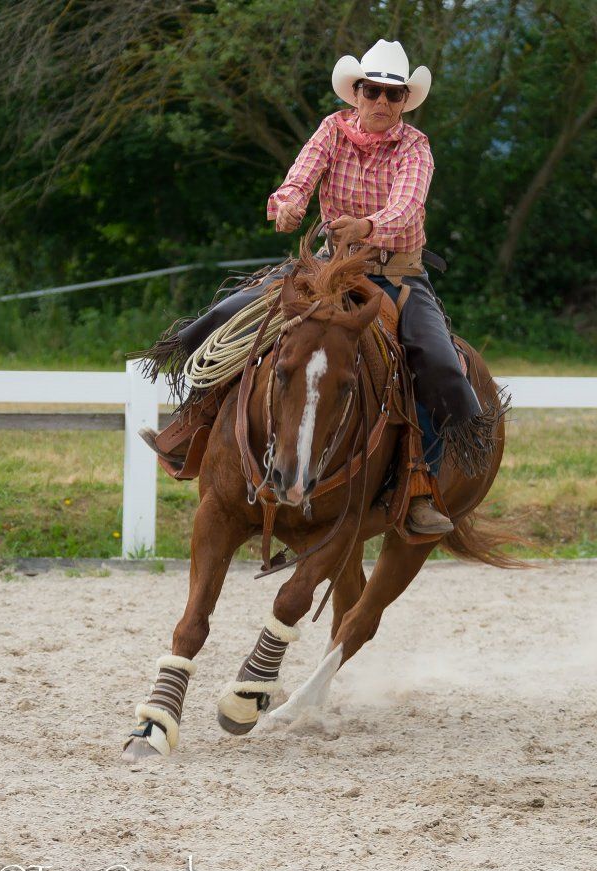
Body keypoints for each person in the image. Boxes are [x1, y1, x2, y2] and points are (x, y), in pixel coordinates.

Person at [141, 39, 487, 535]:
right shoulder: (332, 129)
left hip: (397, 273)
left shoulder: (415, 147)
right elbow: (300, 178)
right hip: (327, 266)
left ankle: (419, 482)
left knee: (436, 363)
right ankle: (194, 425)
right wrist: (286, 204)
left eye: (393, 95)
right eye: (374, 92)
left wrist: (365, 228)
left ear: (404, 101)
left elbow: (406, 208)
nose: (382, 103)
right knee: (230, 319)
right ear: (357, 93)